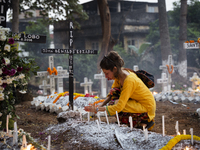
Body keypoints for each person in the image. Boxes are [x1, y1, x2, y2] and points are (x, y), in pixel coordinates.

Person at [84, 51, 156, 130]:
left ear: (114, 69)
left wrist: (97, 109)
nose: (105, 76)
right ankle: (129, 122)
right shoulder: (120, 75)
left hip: (147, 107)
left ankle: (145, 122)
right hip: (136, 102)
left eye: (107, 73)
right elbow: (112, 94)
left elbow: (119, 107)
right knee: (114, 97)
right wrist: (101, 105)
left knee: (115, 104)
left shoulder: (129, 81)